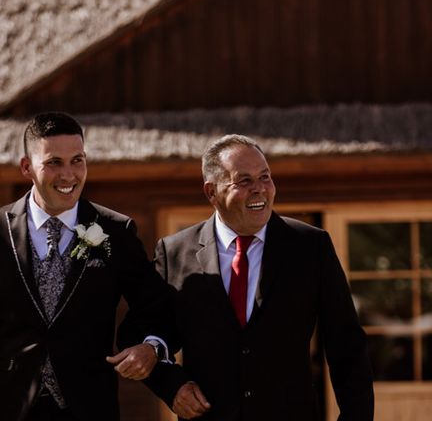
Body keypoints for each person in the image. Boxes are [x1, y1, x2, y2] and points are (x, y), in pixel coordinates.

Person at [0, 112, 175, 421]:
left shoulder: (115, 231)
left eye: (77, 161)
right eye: (54, 163)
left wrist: (151, 347)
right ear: (27, 167)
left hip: (90, 407)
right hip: (11, 408)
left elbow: (157, 308)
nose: (69, 175)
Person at [137, 134, 374, 420]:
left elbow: (347, 345)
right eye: (244, 181)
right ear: (211, 192)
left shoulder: (311, 247)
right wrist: (172, 387)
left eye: (265, 177)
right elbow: (148, 335)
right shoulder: (174, 252)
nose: (260, 189)